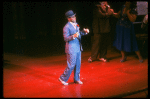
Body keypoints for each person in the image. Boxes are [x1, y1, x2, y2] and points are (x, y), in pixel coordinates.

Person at [59, 10, 89, 85]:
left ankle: (77, 79)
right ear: (68, 18)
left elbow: (79, 34)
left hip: (78, 47)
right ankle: (62, 78)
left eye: (74, 16)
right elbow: (65, 38)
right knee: (71, 65)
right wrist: (73, 36)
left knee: (78, 64)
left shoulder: (76, 24)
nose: (74, 18)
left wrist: (84, 32)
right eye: (72, 17)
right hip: (71, 48)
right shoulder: (66, 27)